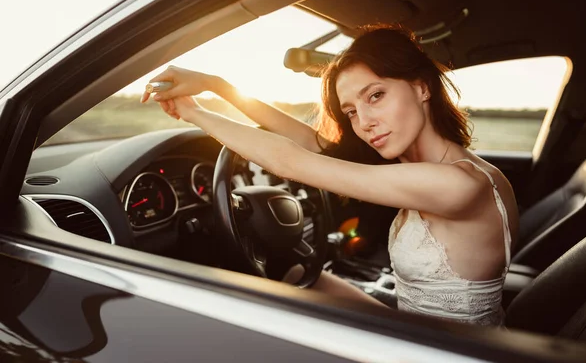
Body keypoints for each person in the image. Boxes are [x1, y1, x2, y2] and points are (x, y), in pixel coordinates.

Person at [140, 24, 519, 326]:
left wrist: (194, 113)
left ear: (421, 87)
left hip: (448, 353)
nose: (365, 122)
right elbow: (309, 142)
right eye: (351, 111)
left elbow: (293, 162)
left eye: (375, 96)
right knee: (300, 279)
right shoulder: (445, 170)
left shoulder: (458, 184)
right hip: (418, 328)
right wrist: (216, 86)